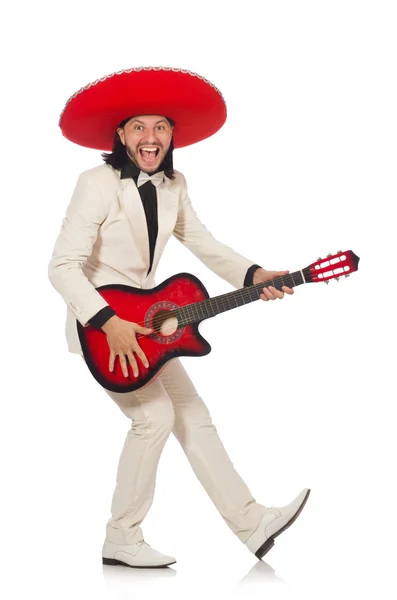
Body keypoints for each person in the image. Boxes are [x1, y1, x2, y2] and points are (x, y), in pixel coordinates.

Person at [48, 66, 310, 569]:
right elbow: (61, 266)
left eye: (161, 127)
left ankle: (251, 522)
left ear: (171, 136)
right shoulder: (94, 183)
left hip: (151, 324)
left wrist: (253, 273)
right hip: (105, 327)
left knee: (193, 415)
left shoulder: (175, 184)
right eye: (139, 127)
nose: (152, 138)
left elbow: (202, 241)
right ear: (121, 135)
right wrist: (107, 320)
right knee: (155, 418)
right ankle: (121, 535)